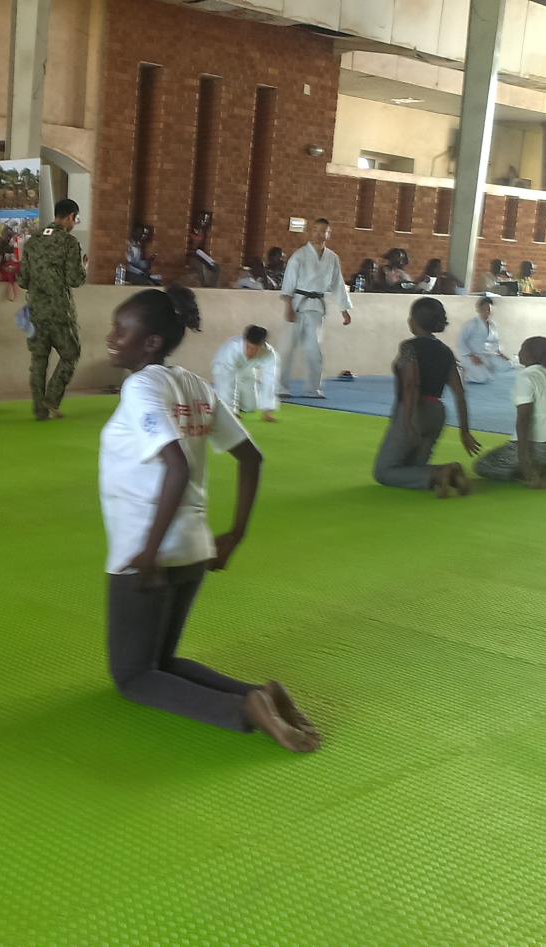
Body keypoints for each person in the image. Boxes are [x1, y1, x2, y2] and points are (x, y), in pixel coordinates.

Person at [100, 284, 319, 752]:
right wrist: (235, 533)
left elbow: (176, 467)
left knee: (133, 676)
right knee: (160, 662)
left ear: (151, 342)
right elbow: (251, 458)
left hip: (148, 548)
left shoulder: (142, 386)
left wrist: (150, 552)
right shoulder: (196, 386)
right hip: (195, 546)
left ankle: (245, 710)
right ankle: (261, 694)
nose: (111, 338)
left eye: (121, 330)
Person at [373, 298, 480, 497]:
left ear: (413, 321)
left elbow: (411, 385)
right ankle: (449, 474)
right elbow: (460, 393)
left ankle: (438, 474)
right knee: (412, 468)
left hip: (414, 411)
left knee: (384, 472)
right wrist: (464, 431)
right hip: (437, 414)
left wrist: (408, 422)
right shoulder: (446, 352)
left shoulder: (409, 348)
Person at [18, 199, 87, 421]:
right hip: (59, 311)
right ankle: (52, 398)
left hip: (36, 311)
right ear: (70, 217)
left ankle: (39, 410)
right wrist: (84, 267)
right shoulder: (69, 242)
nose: (74, 224)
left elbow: (23, 280)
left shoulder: (32, 241)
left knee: (38, 359)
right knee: (71, 354)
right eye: (76, 219)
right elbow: (75, 279)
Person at [473, 337, 546, 488]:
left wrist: (523, 457)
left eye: (522, 349)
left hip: (538, 447)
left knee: (483, 465)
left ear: (530, 355)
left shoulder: (526, 377)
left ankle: (531, 473)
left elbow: (524, 418)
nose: (519, 353)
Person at [279, 218, 352, 399]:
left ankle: (312, 389)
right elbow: (289, 282)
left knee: (314, 350)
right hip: (297, 304)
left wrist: (344, 310)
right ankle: (280, 387)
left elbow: (338, 284)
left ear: (329, 234)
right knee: (287, 348)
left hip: (316, 307)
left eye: (324, 231)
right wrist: (288, 306)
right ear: (311, 232)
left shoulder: (332, 258)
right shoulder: (299, 255)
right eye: (316, 230)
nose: (320, 234)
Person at [211, 325, 279, 422]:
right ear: (244, 341)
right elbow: (227, 381)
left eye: (255, 349)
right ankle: (216, 398)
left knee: (250, 407)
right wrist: (231, 411)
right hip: (223, 368)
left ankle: (237, 399)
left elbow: (269, 380)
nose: (250, 352)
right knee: (225, 393)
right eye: (248, 347)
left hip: (246, 370)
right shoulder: (232, 349)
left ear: (262, 346)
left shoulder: (269, 353)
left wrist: (267, 410)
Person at [456, 295, 513, 385]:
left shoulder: (492, 325)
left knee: (506, 365)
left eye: (489, 309)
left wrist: (500, 353)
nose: (487, 312)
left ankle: (484, 368)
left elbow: (494, 342)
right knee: (482, 378)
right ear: (479, 309)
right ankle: (463, 371)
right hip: (470, 356)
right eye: (484, 309)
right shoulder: (472, 323)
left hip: (485, 355)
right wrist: (472, 356)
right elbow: (461, 341)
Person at [186, 210, 219, 288]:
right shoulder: (196, 229)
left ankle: (210, 285)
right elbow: (195, 239)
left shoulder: (203, 230)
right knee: (214, 267)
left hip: (200, 252)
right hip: (197, 252)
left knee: (215, 267)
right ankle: (208, 285)